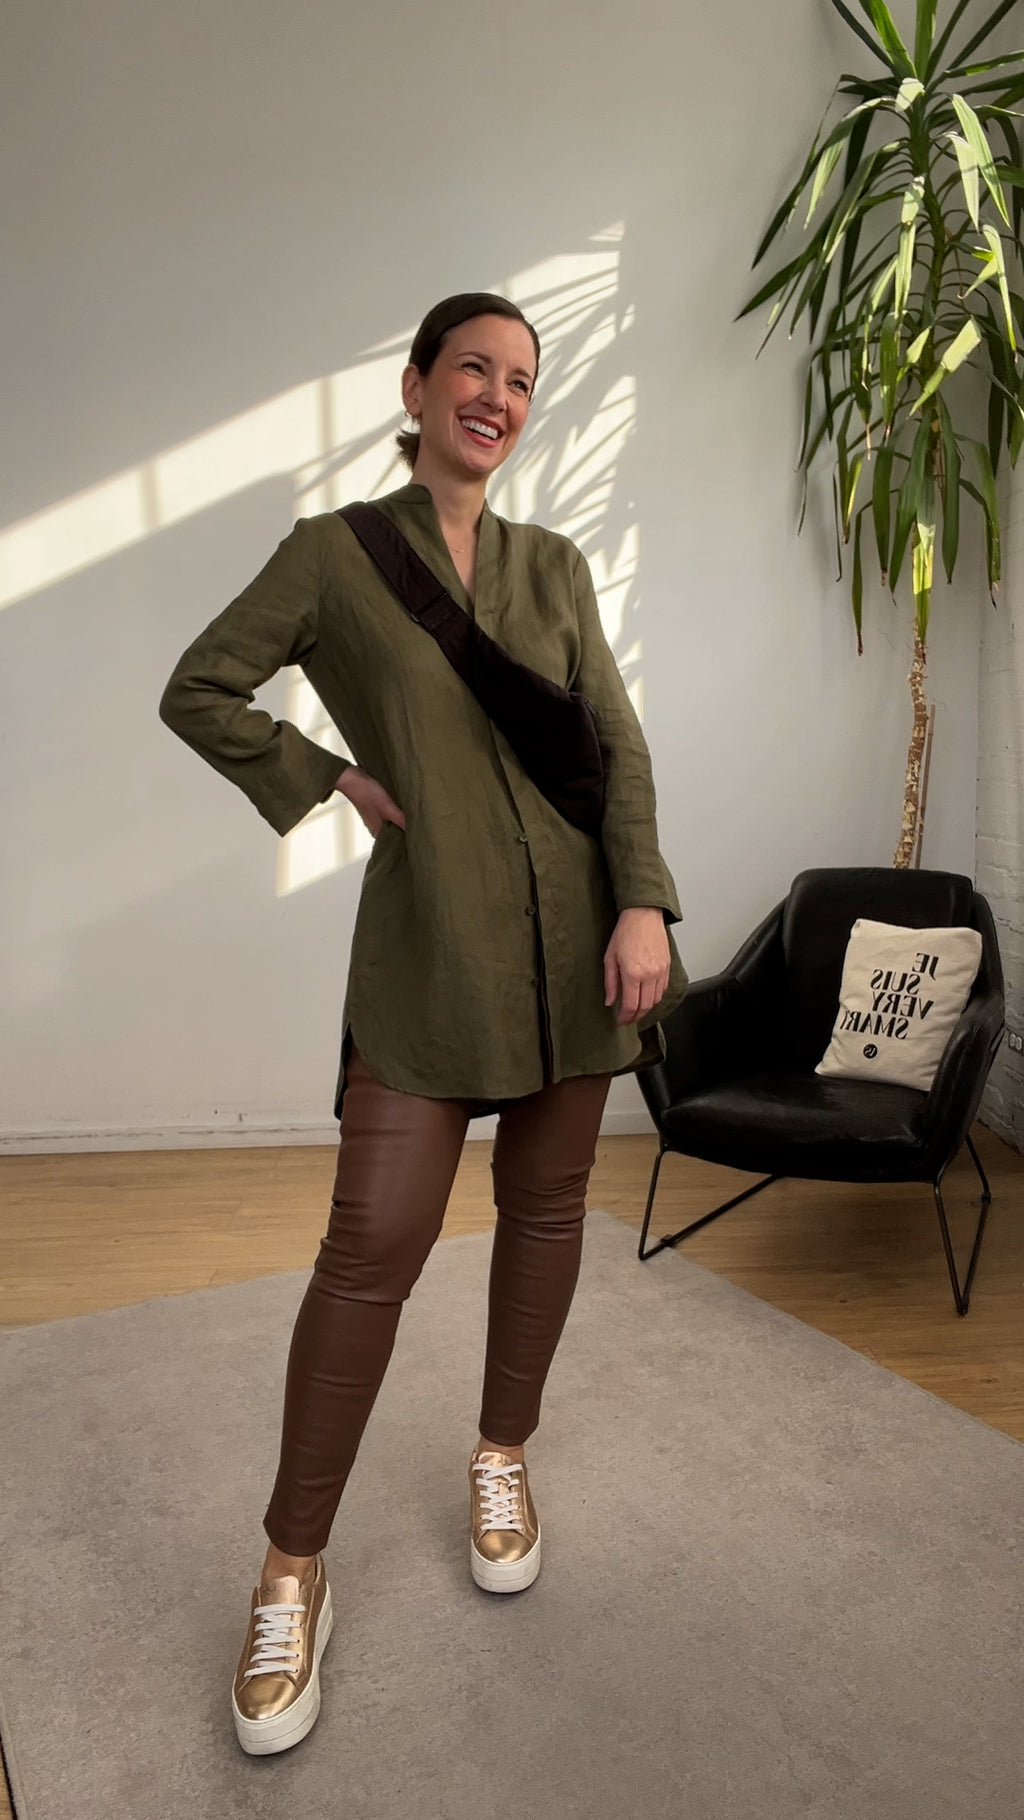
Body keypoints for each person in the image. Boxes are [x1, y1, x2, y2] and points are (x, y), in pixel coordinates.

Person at [158, 292, 687, 1757]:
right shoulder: (334, 556)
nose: (498, 396)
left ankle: (501, 1453)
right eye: (474, 367)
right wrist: (326, 773)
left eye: (521, 378)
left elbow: (618, 744)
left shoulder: (554, 564)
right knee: (370, 1251)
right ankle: (291, 1568)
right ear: (415, 385)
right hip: (429, 955)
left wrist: (643, 903)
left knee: (549, 1208)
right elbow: (199, 686)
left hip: (579, 947)